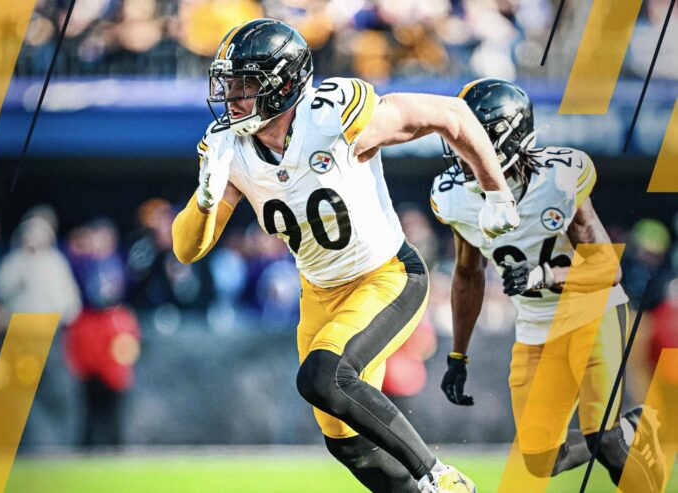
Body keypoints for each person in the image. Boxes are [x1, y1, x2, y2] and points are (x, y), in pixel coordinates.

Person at [172, 19, 520, 493]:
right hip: (319, 292)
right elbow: (186, 249)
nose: (231, 97)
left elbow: (453, 114)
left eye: (246, 85)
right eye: (229, 84)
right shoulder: (228, 150)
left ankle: (441, 477)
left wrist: (497, 191)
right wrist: (206, 199)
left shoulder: (334, 115)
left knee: (324, 377)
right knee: (345, 440)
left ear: (284, 85)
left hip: (386, 275)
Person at [430, 78, 665, 492]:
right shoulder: (454, 197)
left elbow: (608, 268)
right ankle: (636, 426)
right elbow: (468, 275)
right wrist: (458, 354)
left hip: (591, 312)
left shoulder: (557, 178)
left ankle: (622, 435)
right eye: (461, 139)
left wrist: (544, 275)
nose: (465, 151)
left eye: (475, 139)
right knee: (541, 459)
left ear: (510, 137)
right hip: (535, 326)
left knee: (604, 438)